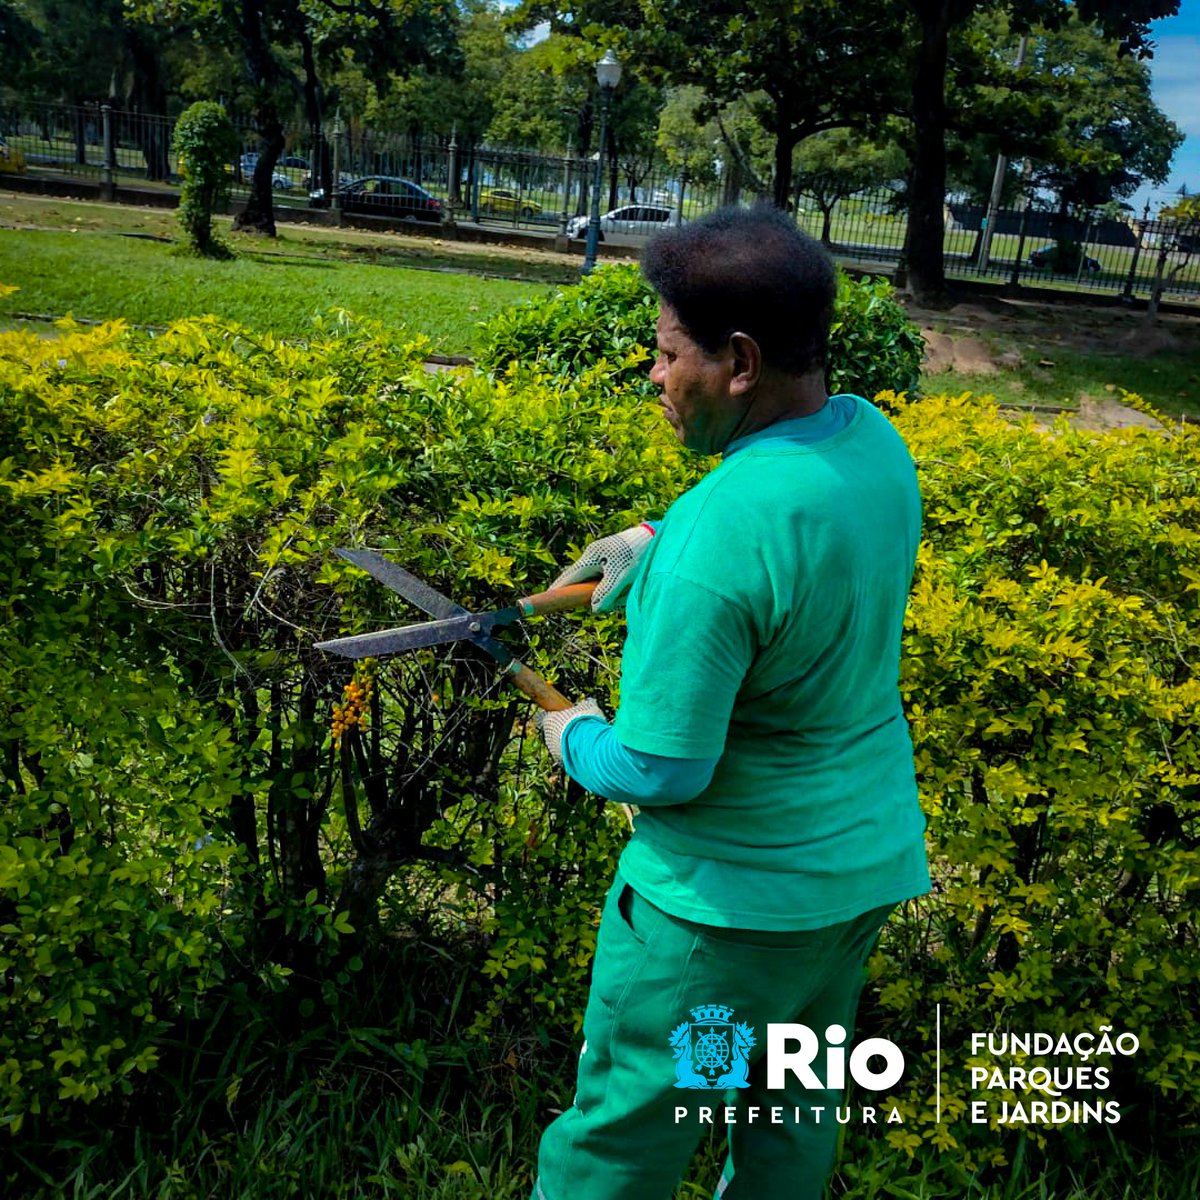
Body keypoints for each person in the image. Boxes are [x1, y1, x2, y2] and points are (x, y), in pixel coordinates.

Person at [530, 205, 931, 1200]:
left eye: (668, 354)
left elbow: (663, 770)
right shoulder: (871, 440)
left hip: (719, 926)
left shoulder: (724, 533)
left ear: (741, 362)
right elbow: (799, 539)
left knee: (627, 1139)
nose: (655, 377)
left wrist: (570, 732)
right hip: (848, 888)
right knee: (782, 1117)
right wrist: (657, 537)